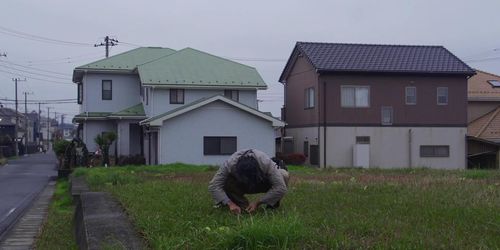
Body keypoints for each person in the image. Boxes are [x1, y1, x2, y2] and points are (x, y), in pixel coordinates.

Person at [208, 149, 289, 214]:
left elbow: (280, 187)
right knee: (226, 181)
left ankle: (271, 205)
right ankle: (240, 205)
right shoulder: (229, 164)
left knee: (283, 175)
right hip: (240, 184)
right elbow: (214, 185)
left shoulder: (265, 162)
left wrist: (258, 203)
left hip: (260, 182)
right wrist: (230, 204)